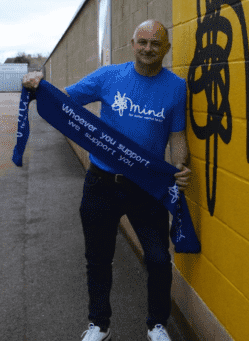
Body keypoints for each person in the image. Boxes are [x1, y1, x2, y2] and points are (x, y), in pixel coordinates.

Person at [23, 20, 191, 341]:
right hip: (102, 184)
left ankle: (157, 324)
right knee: (98, 259)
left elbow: (177, 135)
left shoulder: (176, 87)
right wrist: (39, 85)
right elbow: (64, 100)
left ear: (166, 49)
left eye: (156, 44)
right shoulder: (108, 76)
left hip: (147, 188)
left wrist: (181, 166)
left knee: (158, 259)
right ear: (132, 43)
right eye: (142, 42)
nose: (148, 49)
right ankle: (99, 324)